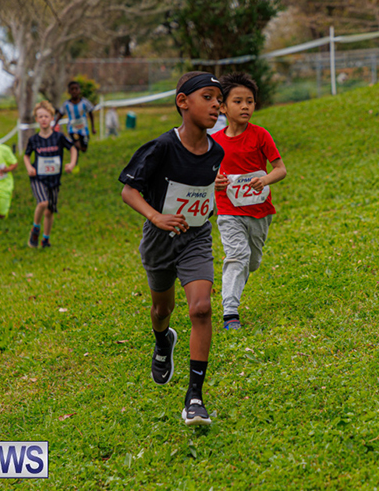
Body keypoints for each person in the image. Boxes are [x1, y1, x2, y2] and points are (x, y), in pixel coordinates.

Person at [119, 71, 224, 426]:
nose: (216, 105)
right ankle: (163, 340)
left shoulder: (217, 151)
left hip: (196, 237)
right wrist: (156, 216)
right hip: (159, 239)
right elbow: (129, 191)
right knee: (161, 309)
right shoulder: (162, 147)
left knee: (202, 308)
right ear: (183, 102)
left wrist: (213, 191)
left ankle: (195, 397)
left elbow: (202, 195)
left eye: (219, 100)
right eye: (207, 97)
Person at [213, 73, 287, 330]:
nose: (245, 106)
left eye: (250, 101)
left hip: (259, 211)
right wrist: (214, 182)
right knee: (238, 255)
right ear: (223, 107)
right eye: (238, 101)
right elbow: (203, 176)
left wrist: (265, 180)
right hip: (228, 210)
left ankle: (235, 286)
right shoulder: (214, 143)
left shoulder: (260, 135)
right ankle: (230, 312)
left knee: (252, 262)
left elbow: (280, 169)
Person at [24, 101, 78, 248]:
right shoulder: (34, 139)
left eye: (46, 116)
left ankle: (45, 239)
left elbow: (72, 148)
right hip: (38, 178)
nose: (43, 119)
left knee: (49, 211)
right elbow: (26, 155)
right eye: (40, 116)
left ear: (52, 118)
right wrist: (29, 167)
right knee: (43, 203)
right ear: (36, 119)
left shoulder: (59, 137)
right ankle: (35, 228)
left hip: (54, 179)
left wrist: (72, 164)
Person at [55, 81, 95, 154]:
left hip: (83, 129)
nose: (74, 91)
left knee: (84, 148)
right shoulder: (66, 104)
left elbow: (91, 113)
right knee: (76, 144)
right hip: (72, 129)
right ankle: (75, 154)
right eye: (72, 89)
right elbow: (60, 115)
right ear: (69, 91)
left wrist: (93, 127)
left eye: (76, 89)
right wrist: (55, 125)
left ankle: (79, 150)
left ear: (79, 90)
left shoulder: (85, 102)